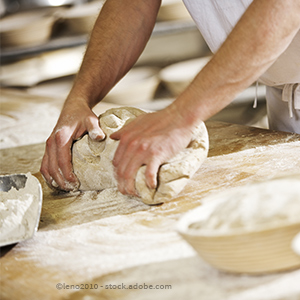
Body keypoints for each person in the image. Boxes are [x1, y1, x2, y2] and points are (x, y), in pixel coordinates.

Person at [40, 0, 300, 196]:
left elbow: (283, 7)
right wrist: (79, 97)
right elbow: (133, 5)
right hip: (285, 100)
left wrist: (180, 116)